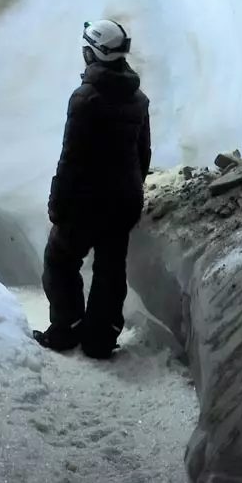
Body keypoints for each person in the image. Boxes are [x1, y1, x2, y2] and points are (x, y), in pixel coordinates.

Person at [33, 18, 152, 359]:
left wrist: (57, 204)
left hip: (87, 202)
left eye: (87, 48)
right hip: (124, 200)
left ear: (95, 53)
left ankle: (67, 329)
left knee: (60, 259)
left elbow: (70, 159)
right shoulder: (138, 98)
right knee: (111, 267)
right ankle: (101, 339)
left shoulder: (85, 99)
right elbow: (143, 153)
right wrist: (132, 189)